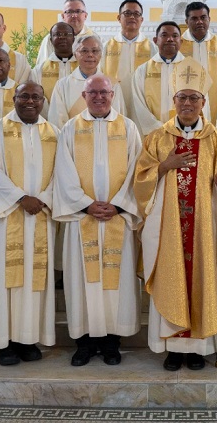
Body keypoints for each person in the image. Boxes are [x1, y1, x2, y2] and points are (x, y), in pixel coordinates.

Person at [134, 62, 217, 371]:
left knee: (201, 277)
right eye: (181, 98)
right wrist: (165, 165)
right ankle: (173, 347)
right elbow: (141, 180)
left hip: (203, 227)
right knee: (172, 275)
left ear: (204, 102)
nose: (187, 104)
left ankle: (198, 349)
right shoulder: (158, 139)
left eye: (194, 98)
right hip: (169, 228)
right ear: (173, 101)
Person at [54, 75, 143, 366]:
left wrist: (118, 206)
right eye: (93, 92)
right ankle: (84, 343)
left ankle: (111, 343)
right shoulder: (71, 128)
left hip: (117, 219)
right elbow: (63, 171)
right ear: (84, 94)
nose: (99, 97)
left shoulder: (128, 128)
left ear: (113, 94)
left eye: (104, 92)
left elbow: (136, 170)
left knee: (114, 284)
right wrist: (85, 205)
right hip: (82, 220)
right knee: (83, 282)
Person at [0, 82, 59, 366]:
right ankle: (5, 343)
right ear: (13, 98)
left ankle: (28, 339)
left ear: (43, 101)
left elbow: (62, 173)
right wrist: (21, 198)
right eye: (24, 96)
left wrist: (44, 199)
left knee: (33, 279)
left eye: (36, 96)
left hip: (40, 216)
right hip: (6, 216)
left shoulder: (54, 133)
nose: (29, 101)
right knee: (4, 280)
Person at [131, 21, 212, 136]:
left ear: (181, 41)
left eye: (174, 36)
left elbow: (203, 105)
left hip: (186, 134)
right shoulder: (142, 71)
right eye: (164, 35)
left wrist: (187, 130)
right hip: (154, 135)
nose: (170, 39)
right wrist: (160, 129)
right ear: (155, 40)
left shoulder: (194, 69)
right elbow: (139, 105)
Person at [49, 35, 124, 128]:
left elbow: (118, 118)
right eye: (84, 51)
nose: (90, 55)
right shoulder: (62, 85)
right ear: (75, 54)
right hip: (72, 138)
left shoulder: (112, 84)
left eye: (95, 51)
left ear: (101, 55)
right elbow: (57, 120)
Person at [180, 2, 217, 117]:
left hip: (215, 102)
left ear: (209, 19)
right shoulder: (179, 44)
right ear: (186, 22)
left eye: (203, 17)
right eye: (194, 18)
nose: (199, 22)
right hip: (187, 103)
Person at [100, 0, 153, 113]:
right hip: (114, 105)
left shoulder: (152, 48)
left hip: (143, 106)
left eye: (136, 14)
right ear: (119, 18)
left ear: (141, 19)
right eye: (127, 13)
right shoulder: (106, 47)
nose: (132, 17)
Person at [32, 22, 78, 97]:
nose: (62, 37)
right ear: (51, 40)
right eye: (57, 34)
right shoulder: (38, 71)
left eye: (66, 34)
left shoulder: (83, 68)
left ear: (73, 39)